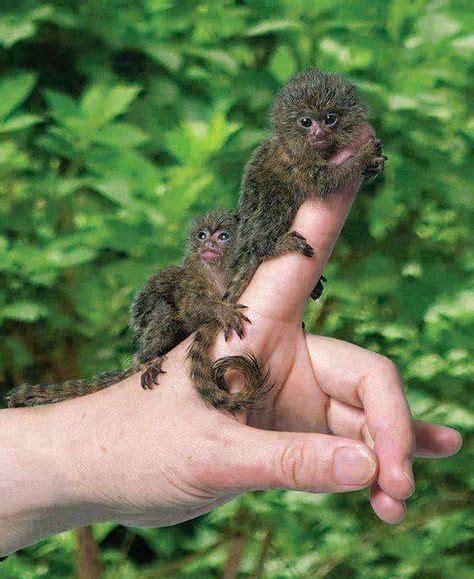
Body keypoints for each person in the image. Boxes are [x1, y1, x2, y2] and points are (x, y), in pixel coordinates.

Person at [0, 179, 462, 558]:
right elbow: (196, 308)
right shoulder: (187, 280)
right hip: (169, 337)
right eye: (202, 237)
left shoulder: (244, 270)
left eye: (222, 236)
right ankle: (148, 362)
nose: (210, 245)